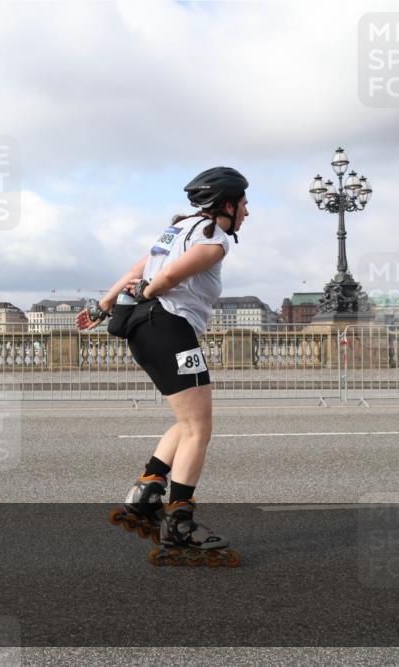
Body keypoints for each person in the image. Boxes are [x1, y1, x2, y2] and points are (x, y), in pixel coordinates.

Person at [76, 167, 249, 566]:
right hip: (168, 327)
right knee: (199, 429)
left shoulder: (176, 229)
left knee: (187, 418)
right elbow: (166, 275)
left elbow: (142, 264)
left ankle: (148, 490)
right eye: (243, 204)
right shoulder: (214, 240)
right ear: (226, 205)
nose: (246, 212)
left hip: (143, 327)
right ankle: (179, 521)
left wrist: (105, 303)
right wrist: (151, 289)